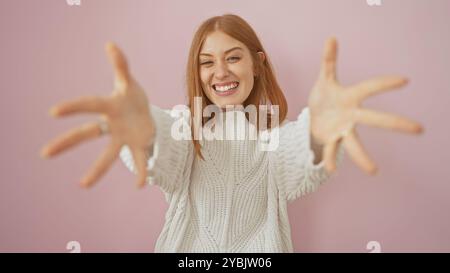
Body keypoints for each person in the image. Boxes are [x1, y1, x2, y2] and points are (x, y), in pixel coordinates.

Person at [40, 14, 423, 252]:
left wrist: (319, 133)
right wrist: (145, 131)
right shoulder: (185, 128)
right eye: (207, 63)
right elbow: (165, 152)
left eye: (233, 57)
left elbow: (298, 161)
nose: (219, 73)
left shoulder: (275, 135)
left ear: (258, 65)